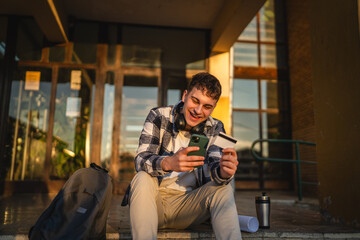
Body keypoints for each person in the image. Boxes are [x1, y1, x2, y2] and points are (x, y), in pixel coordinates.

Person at [128, 72, 241, 239]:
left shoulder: (215, 127)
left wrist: (224, 173)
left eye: (207, 106)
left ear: (213, 108)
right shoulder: (158, 116)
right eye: (195, 101)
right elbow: (140, 159)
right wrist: (168, 163)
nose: (198, 110)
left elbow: (216, 171)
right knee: (141, 178)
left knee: (224, 188)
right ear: (185, 95)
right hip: (153, 203)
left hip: (190, 207)